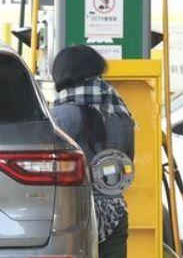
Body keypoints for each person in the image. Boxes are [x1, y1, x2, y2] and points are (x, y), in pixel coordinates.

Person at [51, 45, 135, 258]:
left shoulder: (58, 116)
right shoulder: (120, 112)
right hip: (115, 211)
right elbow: (127, 159)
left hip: (71, 213)